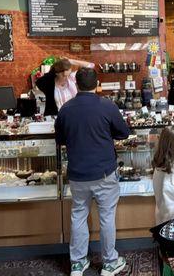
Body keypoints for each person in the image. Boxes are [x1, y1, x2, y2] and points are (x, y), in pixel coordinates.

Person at [54, 67, 130, 276]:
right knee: (106, 217)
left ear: (76, 85)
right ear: (97, 84)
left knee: (78, 216)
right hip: (105, 172)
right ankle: (109, 264)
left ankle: (77, 264)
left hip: (77, 174)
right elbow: (123, 133)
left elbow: (60, 140)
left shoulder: (65, 109)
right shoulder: (107, 106)